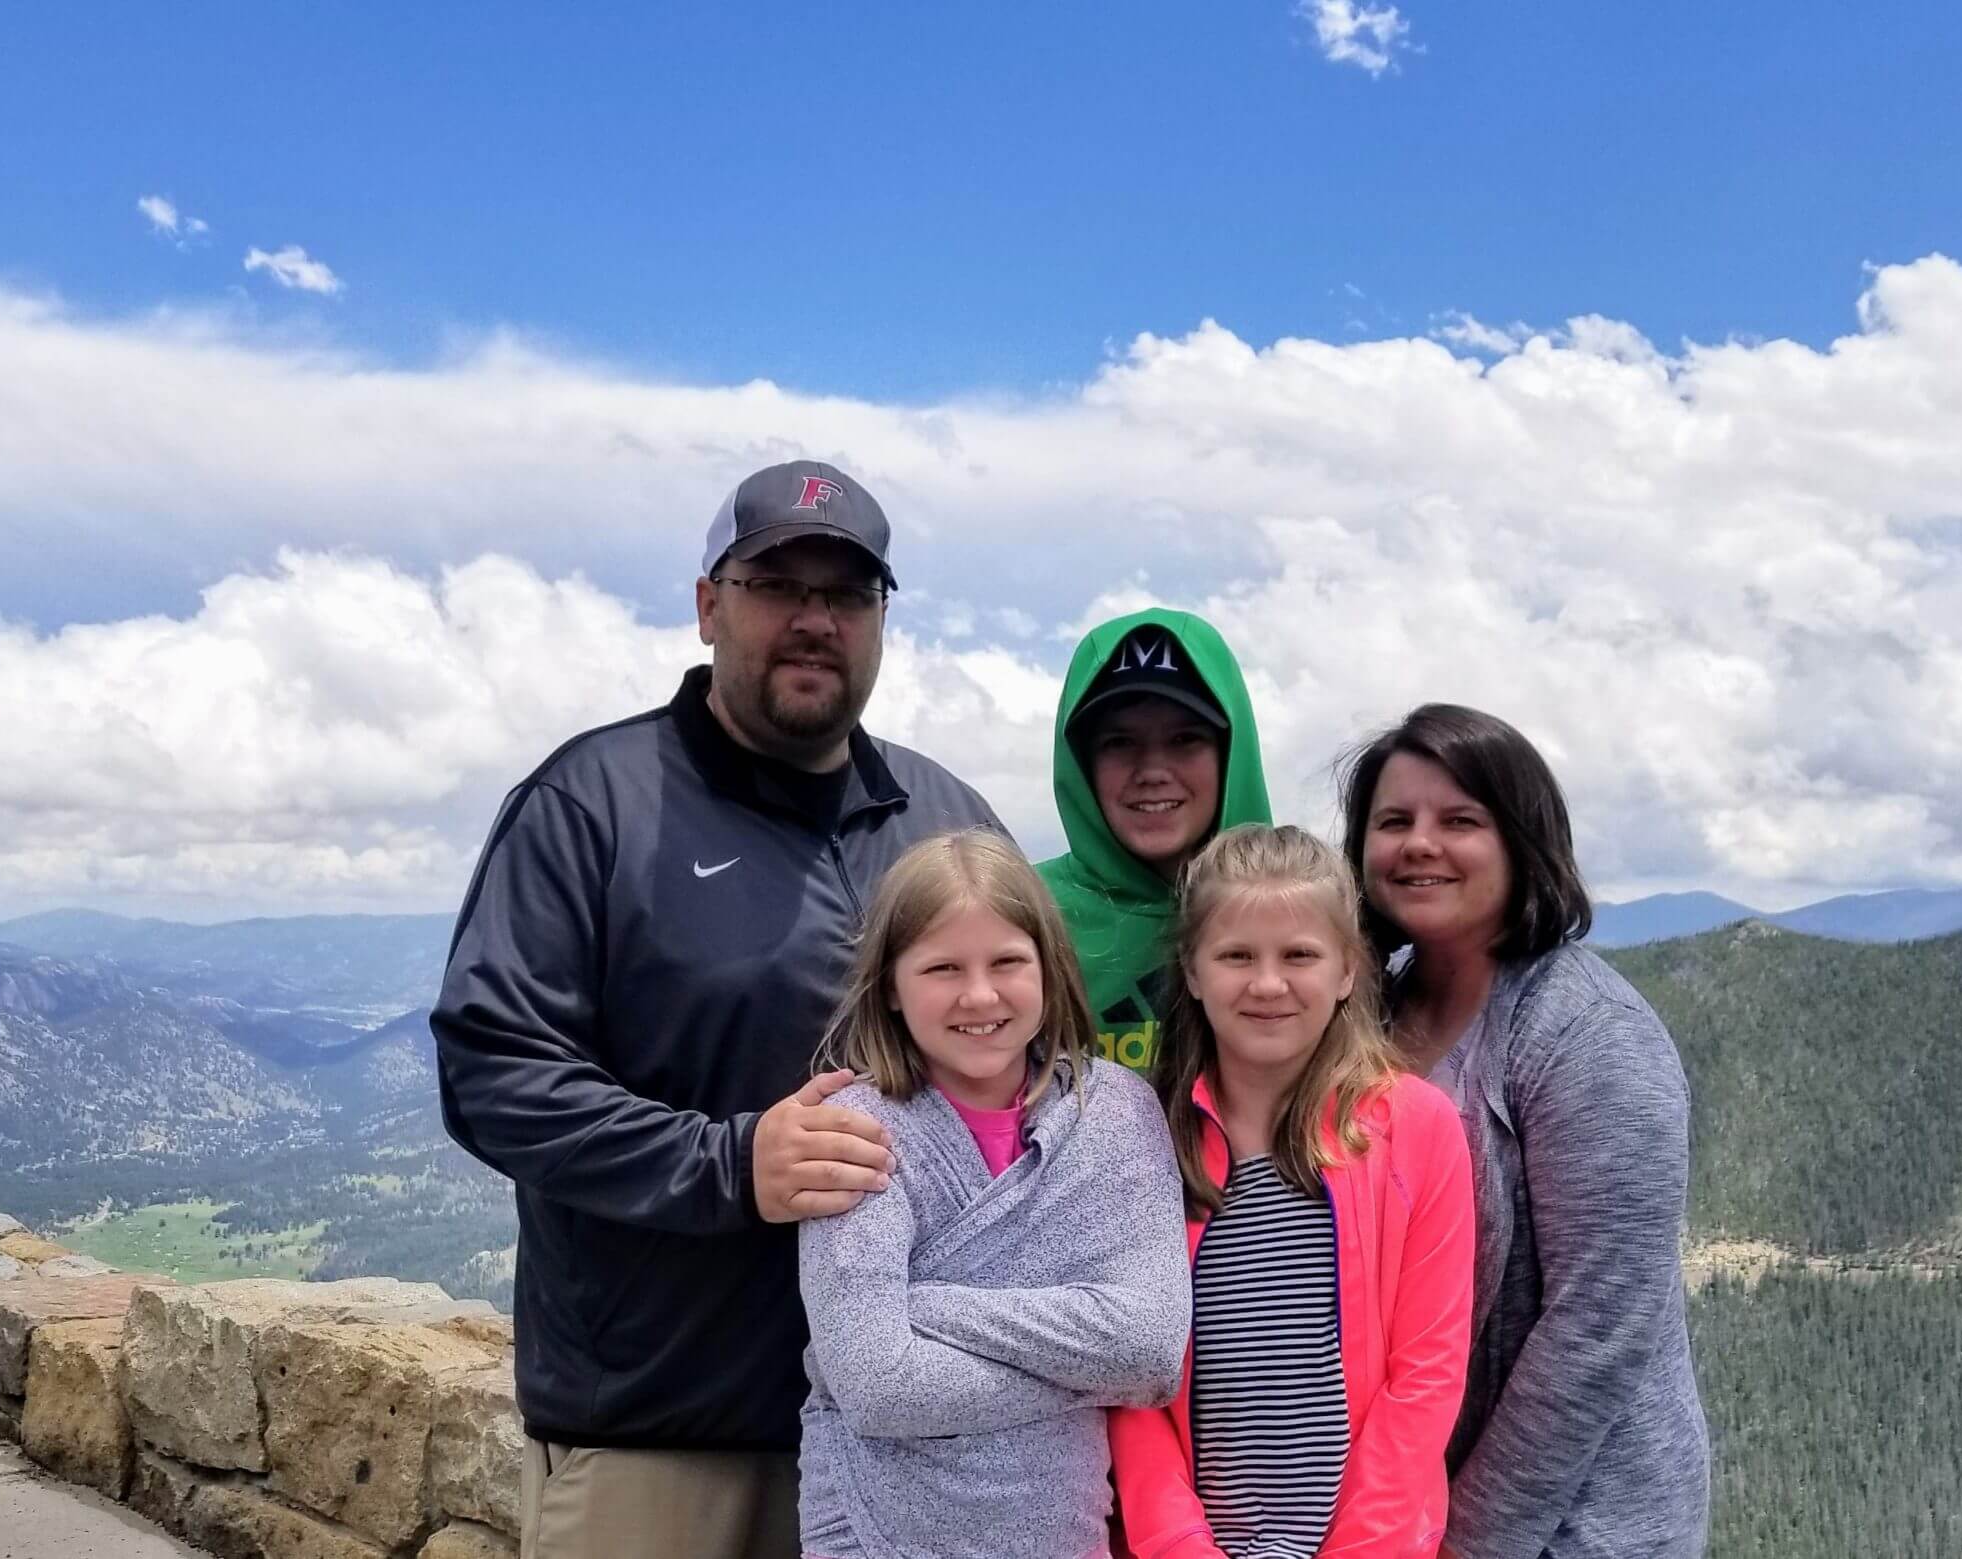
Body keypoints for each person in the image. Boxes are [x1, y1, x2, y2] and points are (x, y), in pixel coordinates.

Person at [430, 460, 1003, 1559]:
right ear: (707, 604)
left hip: (902, 1431)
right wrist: (733, 1163)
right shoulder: (591, 803)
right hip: (660, 1437)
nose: (813, 620)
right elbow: (491, 1072)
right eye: (775, 584)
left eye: (846, 595)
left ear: (880, 619)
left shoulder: (944, 818)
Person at [1340, 705, 1708, 1559]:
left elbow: (1597, 1331)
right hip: (1407, 1513)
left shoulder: (1587, 1033)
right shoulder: (1372, 1011)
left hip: (1577, 1526)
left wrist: (1467, 1543)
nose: (1419, 844)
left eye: (1459, 821)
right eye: (1394, 821)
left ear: (1522, 841)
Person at [798, 829, 1192, 1559]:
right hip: (870, 1531)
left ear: (1049, 965)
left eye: (1007, 961)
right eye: (943, 967)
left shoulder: (1115, 1114)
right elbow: (880, 1388)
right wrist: (1090, 1365)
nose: (979, 995)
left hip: (1059, 1530)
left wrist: (921, 1305)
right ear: (890, 982)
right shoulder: (856, 1130)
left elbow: (1150, 1352)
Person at [1113, 824, 1476, 1559]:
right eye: (1237, 955)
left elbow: (1427, 1373)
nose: (1268, 982)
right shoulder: (1141, 1138)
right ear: (1191, 969)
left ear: (1348, 968)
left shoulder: (1415, 1128)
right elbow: (1125, 1375)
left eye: (1300, 955)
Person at [1037, 609, 1272, 1073]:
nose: (1152, 772)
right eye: (1119, 743)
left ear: (1230, 752)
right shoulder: (1022, 914)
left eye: (1186, 739)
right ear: (1081, 761)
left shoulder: (1305, 909)